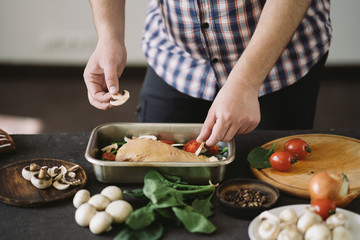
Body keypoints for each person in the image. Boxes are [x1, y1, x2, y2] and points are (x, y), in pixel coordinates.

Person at [84, 0, 331, 147]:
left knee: (275, 179)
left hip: (280, 62)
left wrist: (246, 81)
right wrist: (109, 35)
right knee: (152, 167)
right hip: (176, 59)